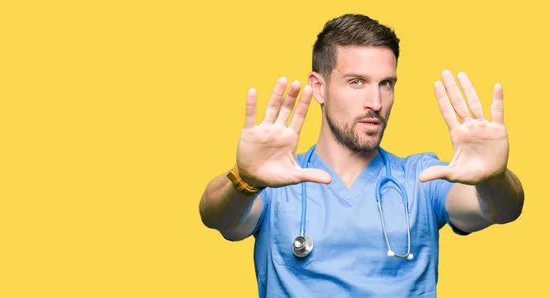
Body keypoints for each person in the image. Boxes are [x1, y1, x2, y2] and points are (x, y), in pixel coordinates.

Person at [198, 13, 524, 297]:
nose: (376, 102)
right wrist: (244, 179)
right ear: (319, 87)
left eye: (386, 84)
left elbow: (500, 209)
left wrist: (494, 178)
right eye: (357, 82)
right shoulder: (276, 180)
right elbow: (217, 217)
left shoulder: (422, 178)